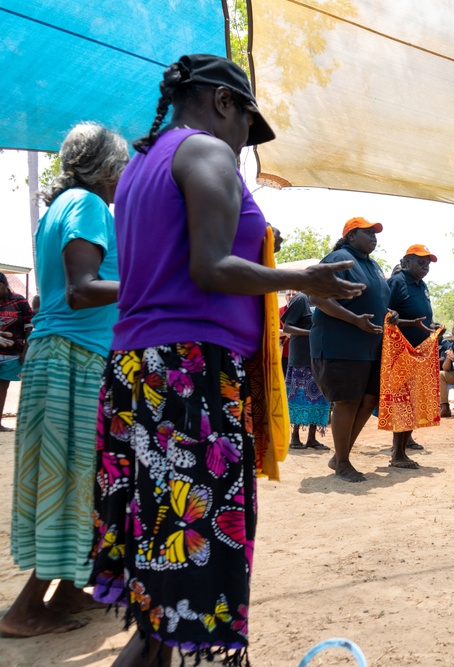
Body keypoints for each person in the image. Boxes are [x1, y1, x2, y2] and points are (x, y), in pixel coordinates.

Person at [87, 55, 364, 666]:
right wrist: (299, 277)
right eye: (248, 127)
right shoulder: (207, 152)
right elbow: (209, 267)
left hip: (139, 371)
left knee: (159, 565)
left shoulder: (140, 167)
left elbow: (161, 267)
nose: (245, 143)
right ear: (222, 103)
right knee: (193, 556)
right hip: (190, 376)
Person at [1, 122, 128, 639]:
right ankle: (26, 609)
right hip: (74, 360)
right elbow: (82, 290)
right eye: (122, 167)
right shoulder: (87, 205)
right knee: (73, 482)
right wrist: (155, 282)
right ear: (107, 167)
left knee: (78, 480)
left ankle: (72, 584)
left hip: (65, 356)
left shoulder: (65, 205)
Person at [310, 216, 389, 483]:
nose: (374, 237)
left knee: (368, 399)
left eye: (375, 233)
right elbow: (317, 296)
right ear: (351, 236)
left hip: (369, 347)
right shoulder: (339, 258)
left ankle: (340, 455)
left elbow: (375, 300)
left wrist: (389, 314)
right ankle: (342, 463)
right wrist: (354, 320)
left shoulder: (373, 265)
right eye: (368, 232)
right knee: (347, 401)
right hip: (340, 344)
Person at [383, 244, 438, 465]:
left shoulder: (422, 285)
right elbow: (383, 312)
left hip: (420, 352)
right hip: (400, 351)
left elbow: (423, 318)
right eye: (420, 262)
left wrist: (432, 327)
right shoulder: (396, 282)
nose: (425, 267)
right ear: (405, 262)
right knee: (402, 402)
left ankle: (402, 451)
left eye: (427, 264)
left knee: (414, 401)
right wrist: (409, 323)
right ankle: (397, 455)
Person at [281, 292, 331, 450]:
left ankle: (312, 438)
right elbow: (287, 326)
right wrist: (311, 333)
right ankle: (294, 438)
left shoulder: (324, 298)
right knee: (299, 397)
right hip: (301, 358)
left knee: (318, 398)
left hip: (320, 357)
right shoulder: (301, 299)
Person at [0, 273, 33, 432]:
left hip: (14, 353)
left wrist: (26, 351)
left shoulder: (19, 301)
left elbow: (29, 327)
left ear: (5, 284)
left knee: (6, 386)